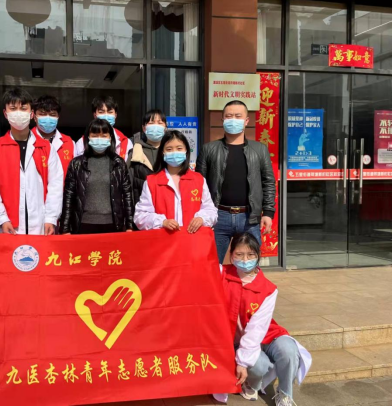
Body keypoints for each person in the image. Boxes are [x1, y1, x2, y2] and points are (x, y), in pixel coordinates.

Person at [218, 233, 312, 407]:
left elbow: (256, 329)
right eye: (239, 254)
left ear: (258, 256)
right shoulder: (221, 274)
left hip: (264, 334)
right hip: (235, 340)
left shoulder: (268, 289)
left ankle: (284, 394)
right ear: (231, 255)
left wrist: (242, 362)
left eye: (250, 255)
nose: (245, 260)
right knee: (259, 366)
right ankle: (253, 382)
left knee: (288, 350)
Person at [196, 100, 276, 264]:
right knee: (211, 264)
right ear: (222, 120)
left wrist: (268, 213)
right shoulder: (209, 149)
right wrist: (201, 215)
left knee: (249, 264)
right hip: (218, 216)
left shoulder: (260, 149)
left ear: (246, 121)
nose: (233, 120)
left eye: (238, 116)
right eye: (229, 116)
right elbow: (197, 185)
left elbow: (268, 182)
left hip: (249, 218)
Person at [0, 88, 64, 235]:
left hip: (40, 225)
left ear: (31, 114)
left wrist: (51, 218)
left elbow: (55, 185)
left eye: (23, 108)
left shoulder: (46, 148)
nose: (18, 113)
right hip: (7, 226)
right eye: (13, 108)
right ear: (5, 113)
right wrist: (2, 219)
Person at [134, 130, 218, 233]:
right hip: (164, 240)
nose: (174, 152)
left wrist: (201, 219)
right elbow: (140, 216)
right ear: (162, 152)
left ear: (186, 150)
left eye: (179, 148)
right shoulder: (152, 182)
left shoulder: (198, 180)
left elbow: (211, 211)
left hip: (192, 239)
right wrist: (162, 222)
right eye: (169, 149)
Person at [60, 119, 134, 235]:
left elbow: (127, 195)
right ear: (88, 138)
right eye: (95, 135)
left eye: (104, 136)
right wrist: (65, 228)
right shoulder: (76, 164)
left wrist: (129, 225)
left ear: (111, 138)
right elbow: (69, 197)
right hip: (83, 225)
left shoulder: (119, 164)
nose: (99, 139)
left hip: (113, 225)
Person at [128, 109, 167, 207]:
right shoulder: (135, 151)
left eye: (160, 123)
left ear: (165, 128)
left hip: (167, 206)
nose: (156, 126)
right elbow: (128, 184)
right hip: (142, 207)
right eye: (151, 123)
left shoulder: (171, 152)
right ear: (144, 128)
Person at [74, 96, 132, 160]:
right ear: (95, 115)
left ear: (115, 115)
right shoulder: (82, 143)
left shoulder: (126, 143)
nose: (106, 116)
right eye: (101, 112)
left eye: (110, 112)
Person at [32, 95, 76, 178]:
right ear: (34, 117)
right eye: (42, 114)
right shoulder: (27, 141)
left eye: (52, 115)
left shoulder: (69, 143)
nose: (48, 118)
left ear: (58, 117)